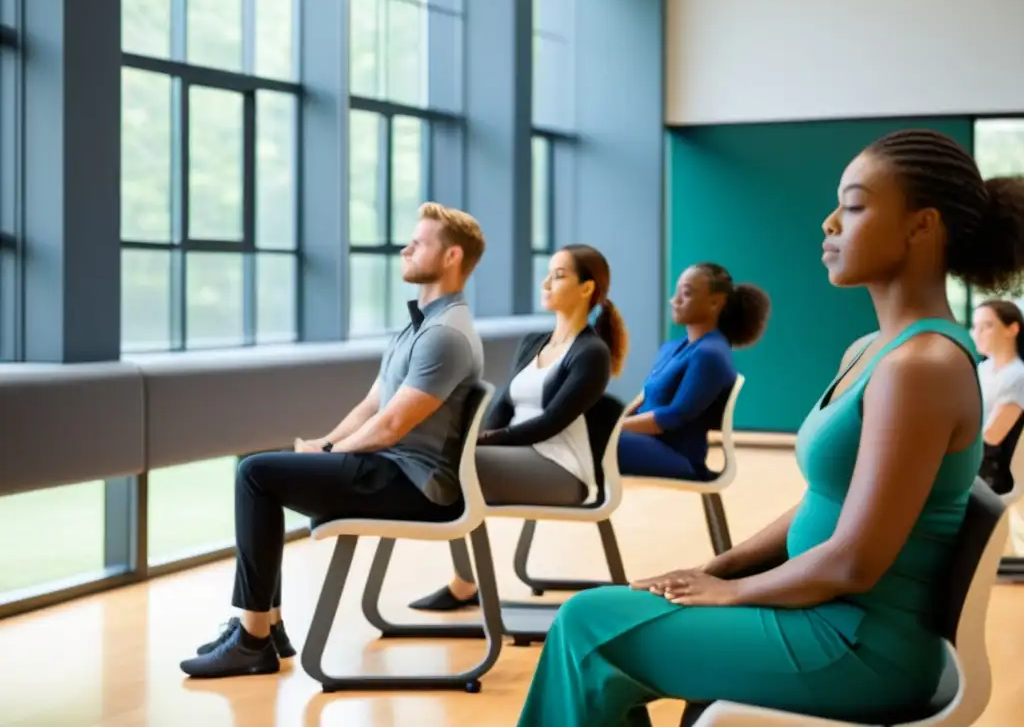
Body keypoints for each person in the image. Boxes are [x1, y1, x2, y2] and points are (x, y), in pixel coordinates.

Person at [516, 129, 1024, 726]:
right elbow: (825, 502)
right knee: (608, 618)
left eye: (855, 206)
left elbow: (853, 564)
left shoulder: (922, 366)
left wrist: (733, 591)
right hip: (822, 614)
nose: (830, 222)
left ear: (921, 227)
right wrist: (717, 567)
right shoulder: (872, 350)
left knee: (589, 627)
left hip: (857, 644)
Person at [179, 202, 487, 679]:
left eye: (418, 242)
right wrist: (323, 447)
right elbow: (371, 405)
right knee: (262, 468)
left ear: (451, 258)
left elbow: (390, 427)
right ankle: (267, 626)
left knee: (256, 473)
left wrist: (334, 454)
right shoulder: (421, 324)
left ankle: (253, 638)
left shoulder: (446, 334)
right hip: (394, 468)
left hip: (412, 485)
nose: (405, 248)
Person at [408, 244, 629, 612]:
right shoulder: (533, 343)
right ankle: (464, 580)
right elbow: (502, 409)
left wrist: (485, 441)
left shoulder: (592, 353)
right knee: (448, 455)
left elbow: (550, 423)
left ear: (587, 288)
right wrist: (475, 435)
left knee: (458, 463)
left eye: (559, 276)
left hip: (560, 470)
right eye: (548, 273)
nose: (546, 282)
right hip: (521, 456)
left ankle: (462, 581)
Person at [618, 263, 770, 481]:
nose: (675, 300)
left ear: (716, 303)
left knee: (587, 443)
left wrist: (612, 431)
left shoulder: (710, 355)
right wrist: (610, 424)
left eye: (686, 293)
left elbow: (673, 417)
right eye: (676, 292)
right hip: (645, 444)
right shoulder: (672, 347)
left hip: (678, 456)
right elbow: (643, 398)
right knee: (576, 438)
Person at [971, 298, 1024, 495]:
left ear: (1012, 329)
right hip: (971, 462)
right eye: (975, 326)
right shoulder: (981, 370)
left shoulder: (1018, 376)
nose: (977, 334)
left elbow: (992, 437)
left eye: (987, 326)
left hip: (990, 474)